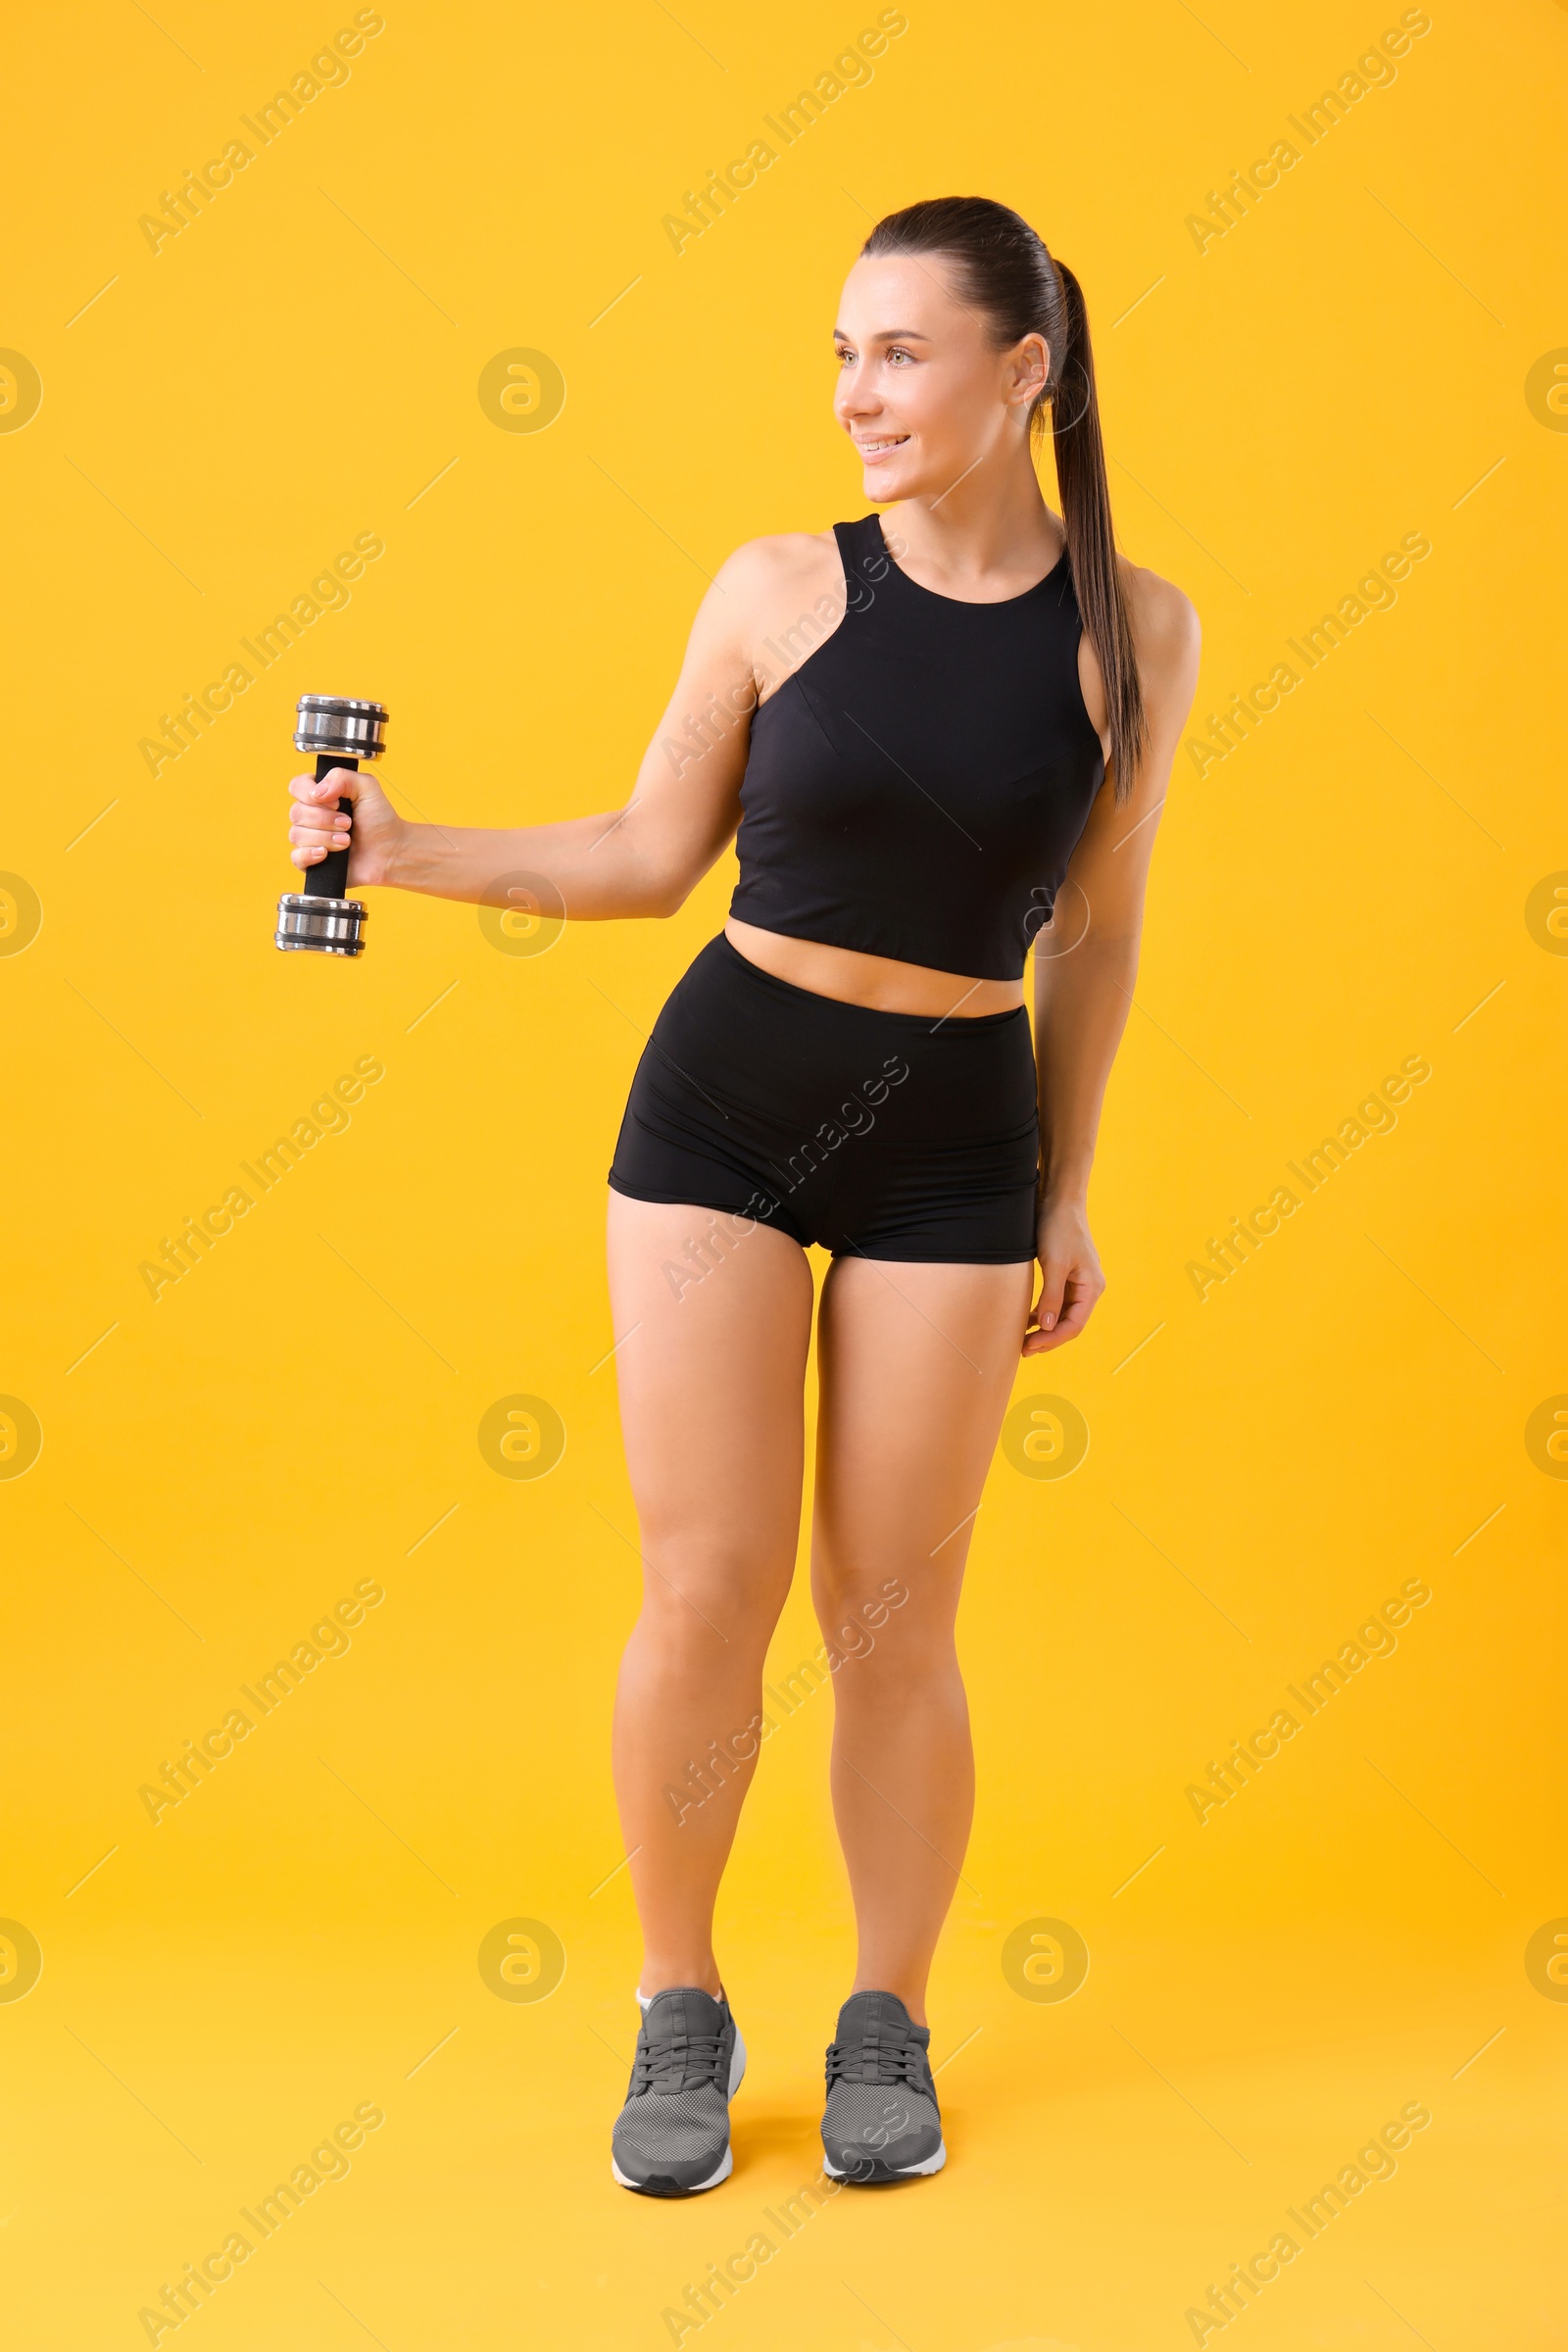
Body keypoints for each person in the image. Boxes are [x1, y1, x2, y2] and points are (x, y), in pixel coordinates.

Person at [286, 195, 1200, 2197]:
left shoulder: (1134, 632)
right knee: (706, 1592)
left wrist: (1063, 1187)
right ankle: (674, 2007)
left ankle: (887, 2017)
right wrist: (401, 847)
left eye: (899, 351)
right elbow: (637, 857)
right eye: (841, 352)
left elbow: (1100, 941)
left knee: (895, 1616)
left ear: (1018, 370)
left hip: (957, 1133)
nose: (855, 392)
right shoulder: (776, 588)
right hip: (722, 1103)